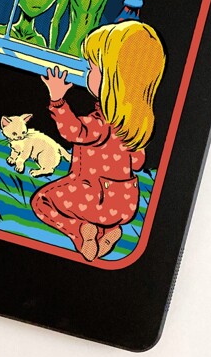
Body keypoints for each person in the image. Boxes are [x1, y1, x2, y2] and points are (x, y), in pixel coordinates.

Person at [31, 21, 165, 261]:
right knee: (100, 216)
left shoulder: (100, 123)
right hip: (124, 203)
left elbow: (74, 131)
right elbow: (137, 162)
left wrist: (58, 100)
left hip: (92, 196)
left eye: (92, 67)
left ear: (111, 78)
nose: (87, 73)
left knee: (42, 202)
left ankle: (80, 233)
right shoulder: (134, 129)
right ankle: (109, 232)